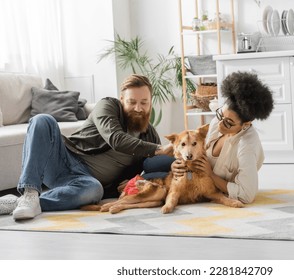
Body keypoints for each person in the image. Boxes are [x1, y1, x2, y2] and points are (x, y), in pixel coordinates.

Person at [0, 74, 173, 220]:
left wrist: (175, 163)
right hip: (63, 159)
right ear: (122, 100)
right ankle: (30, 192)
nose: (138, 108)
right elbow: (115, 138)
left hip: (86, 181)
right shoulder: (108, 106)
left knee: (94, 192)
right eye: (132, 102)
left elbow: (153, 167)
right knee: (43, 120)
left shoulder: (149, 135)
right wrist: (159, 149)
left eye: (144, 102)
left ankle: (26, 203)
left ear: (151, 102)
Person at [172, 71, 274, 204]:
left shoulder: (246, 146)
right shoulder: (219, 121)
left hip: (208, 184)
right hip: (192, 171)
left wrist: (211, 175)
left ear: (246, 124)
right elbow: (191, 141)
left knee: (155, 174)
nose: (220, 124)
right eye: (220, 115)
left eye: (228, 123)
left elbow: (247, 195)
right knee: (155, 164)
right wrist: (176, 164)